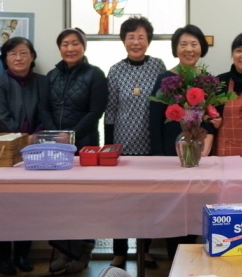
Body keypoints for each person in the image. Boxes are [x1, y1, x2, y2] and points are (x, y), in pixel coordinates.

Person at [149, 24, 218, 260]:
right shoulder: (165, 78)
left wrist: (205, 149)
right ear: (176, 49)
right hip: (171, 156)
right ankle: (175, 262)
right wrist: (159, 156)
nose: (189, 49)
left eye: (194, 44)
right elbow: (154, 121)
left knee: (199, 208)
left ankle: (195, 262)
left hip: (198, 156)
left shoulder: (206, 80)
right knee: (175, 211)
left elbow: (210, 117)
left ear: (201, 48)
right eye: (184, 44)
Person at [0, 37, 52, 274]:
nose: (18, 58)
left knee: (29, 204)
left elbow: (47, 113)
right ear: (5, 59)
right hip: (4, 152)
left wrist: (37, 136)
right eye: (13, 54)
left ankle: (23, 253)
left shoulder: (43, 82)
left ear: (32, 57)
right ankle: (2, 256)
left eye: (24, 53)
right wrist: (23, 138)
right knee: (1, 205)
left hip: (35, 151)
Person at [104, 17, 165, 270]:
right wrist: (109, 148)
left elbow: (164, 104)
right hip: (123, 147)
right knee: (121, 202)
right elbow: (110, 110)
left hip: (151, 145)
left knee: (148, 202)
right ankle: (119, 252)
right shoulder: (115, 70)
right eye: (131, 37)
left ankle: (144, 249)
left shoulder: (158, 66)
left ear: (148, 40)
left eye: (141, 37)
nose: (136, 42)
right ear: (124, 41)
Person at [47, 28, 108, 274]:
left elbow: (96, 111)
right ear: (59, 48)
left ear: (83, 47)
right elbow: (44, 109)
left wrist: (71, 134)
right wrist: (55, 135)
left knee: (84, 200)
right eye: (65, 44)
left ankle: (84, 250)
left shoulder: (95, 74)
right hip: (56, 147)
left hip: (86, 145)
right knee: (59, 199)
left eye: (75, 43)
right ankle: (64, 250)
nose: (70, 48)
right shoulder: (51, 76)